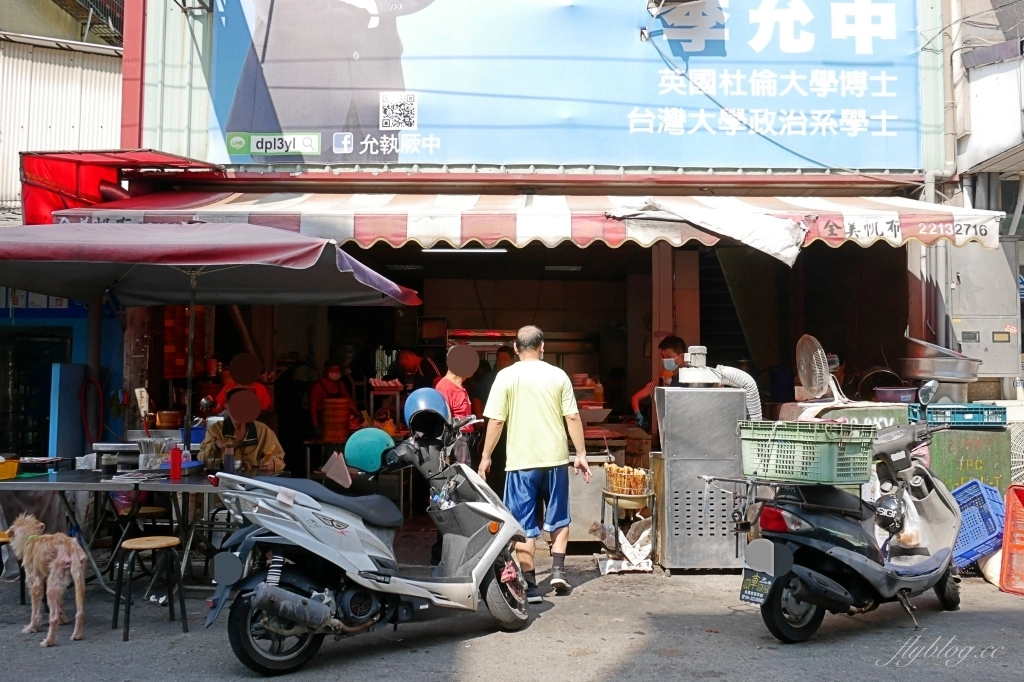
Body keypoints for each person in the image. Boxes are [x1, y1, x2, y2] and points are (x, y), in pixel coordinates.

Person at [479, 326, 591, 602]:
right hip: (554, 459)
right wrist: (581, 453)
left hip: (521, 462)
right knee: (559, 517)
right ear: (543, 347)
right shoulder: (558, 375)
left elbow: (496, 421)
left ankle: (530, 586)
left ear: (516, 349)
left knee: (524, 524)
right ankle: (558, 571)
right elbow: (573, 417)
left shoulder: (505, 376)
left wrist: (485, 457)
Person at [199, 388, 285, 474]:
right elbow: (201, 459)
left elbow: (278, 458)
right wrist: (216, 445)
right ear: (226, 408)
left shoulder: (263, 430)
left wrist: (273, 463)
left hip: (254, 480)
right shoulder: (215, 430)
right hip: (222, 479)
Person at [471, 345, 516, 495]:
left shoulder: (518, 377)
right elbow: (477, 398)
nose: (501, 362)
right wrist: (480, 420)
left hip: (515, 429)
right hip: (494, 427)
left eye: (505, 359)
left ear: (513, 360)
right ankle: (495, 494)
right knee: (495, 463)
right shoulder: (490, 378)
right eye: (499, 359)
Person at [631, 335, 688, 429]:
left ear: (681, 356)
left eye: (669, 356)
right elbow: (635, 398)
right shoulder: (660, 383)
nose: (665, 360)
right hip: (670, 427)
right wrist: (638, 413)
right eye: (662, 356)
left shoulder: (693, 377)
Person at [310, 360, 362, 438]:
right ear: (326, 371)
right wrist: (315, 425)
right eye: (332, 370)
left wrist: (359, 415)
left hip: (340, 423)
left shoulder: (341, 384)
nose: (335, 372)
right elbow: (313, 407)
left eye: (337, 370)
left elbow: (349, 401)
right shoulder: (318, 386)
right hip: (324, 424)